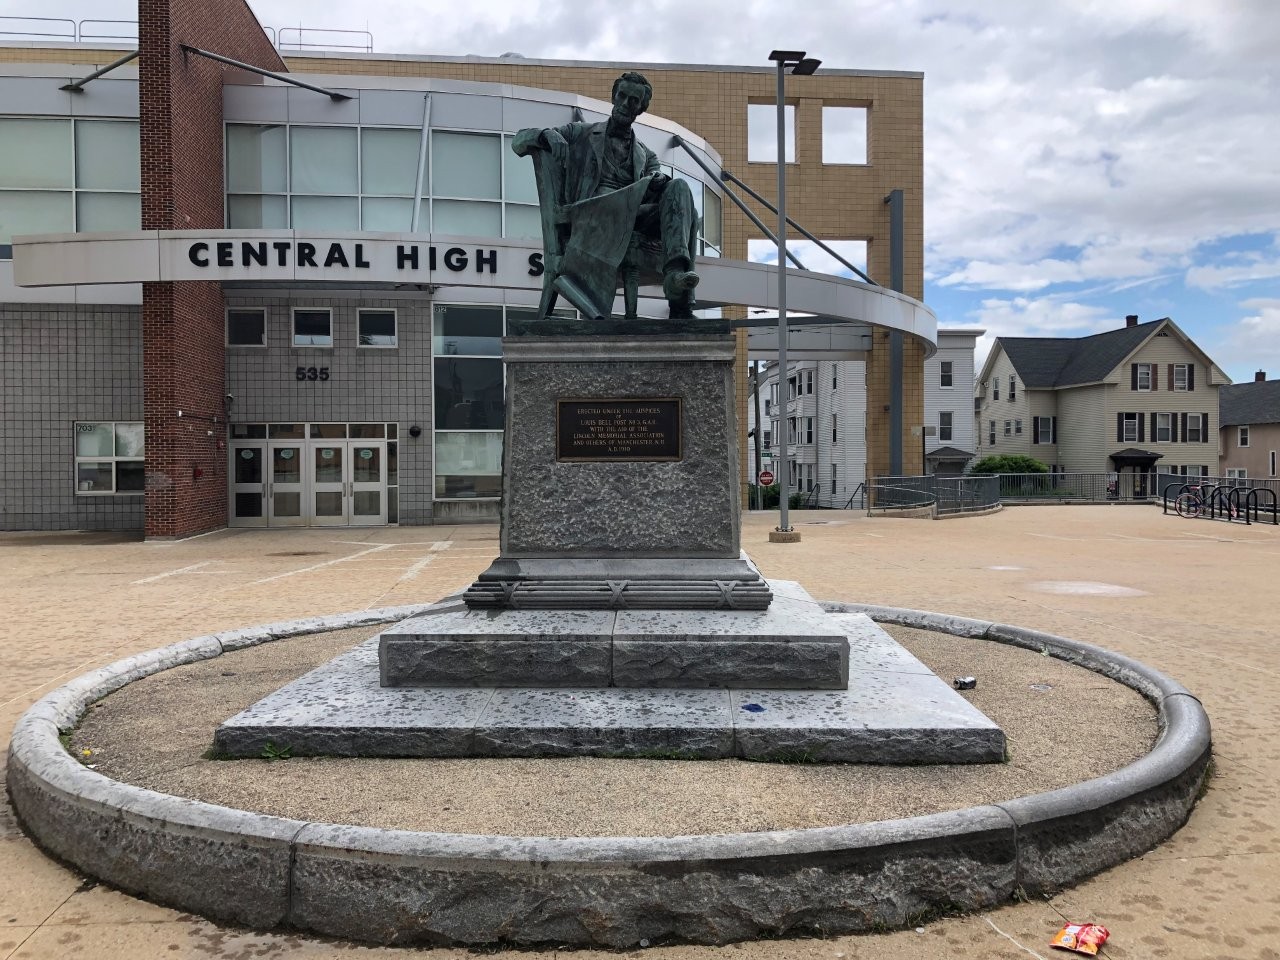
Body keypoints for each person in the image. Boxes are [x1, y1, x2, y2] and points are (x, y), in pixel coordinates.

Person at [512, 71, 700, 319]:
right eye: (621, 96)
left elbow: (659, 185)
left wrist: (659, 181)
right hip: (591, 218)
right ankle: (677, 292)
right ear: (613, 96)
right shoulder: (581, 133)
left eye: (633, 101)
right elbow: (518, 142)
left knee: (679, 188)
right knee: (671, 193)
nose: (625, 104)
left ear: (640, 109)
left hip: (630, 215)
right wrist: (545, 134)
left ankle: (676, 280)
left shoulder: (646, 155)